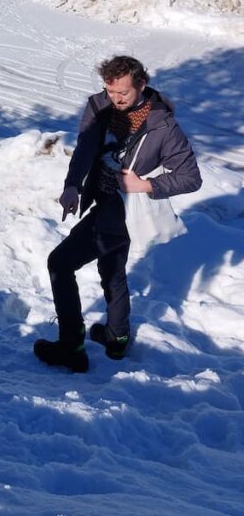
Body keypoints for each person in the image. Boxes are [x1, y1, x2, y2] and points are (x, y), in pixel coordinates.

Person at [34, 55, 201, 373]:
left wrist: (145, 185)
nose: (116, 99)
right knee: (113, 271)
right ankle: (117, 339)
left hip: (126, 210)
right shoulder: (99, 106)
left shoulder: (162, 126)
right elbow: (85, 148)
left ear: (142, 84)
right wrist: (73, 185)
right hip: (105, 202)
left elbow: (191, 177)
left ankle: (72, 346)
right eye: (110, 91)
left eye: (123, 93)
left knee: (60, 262)